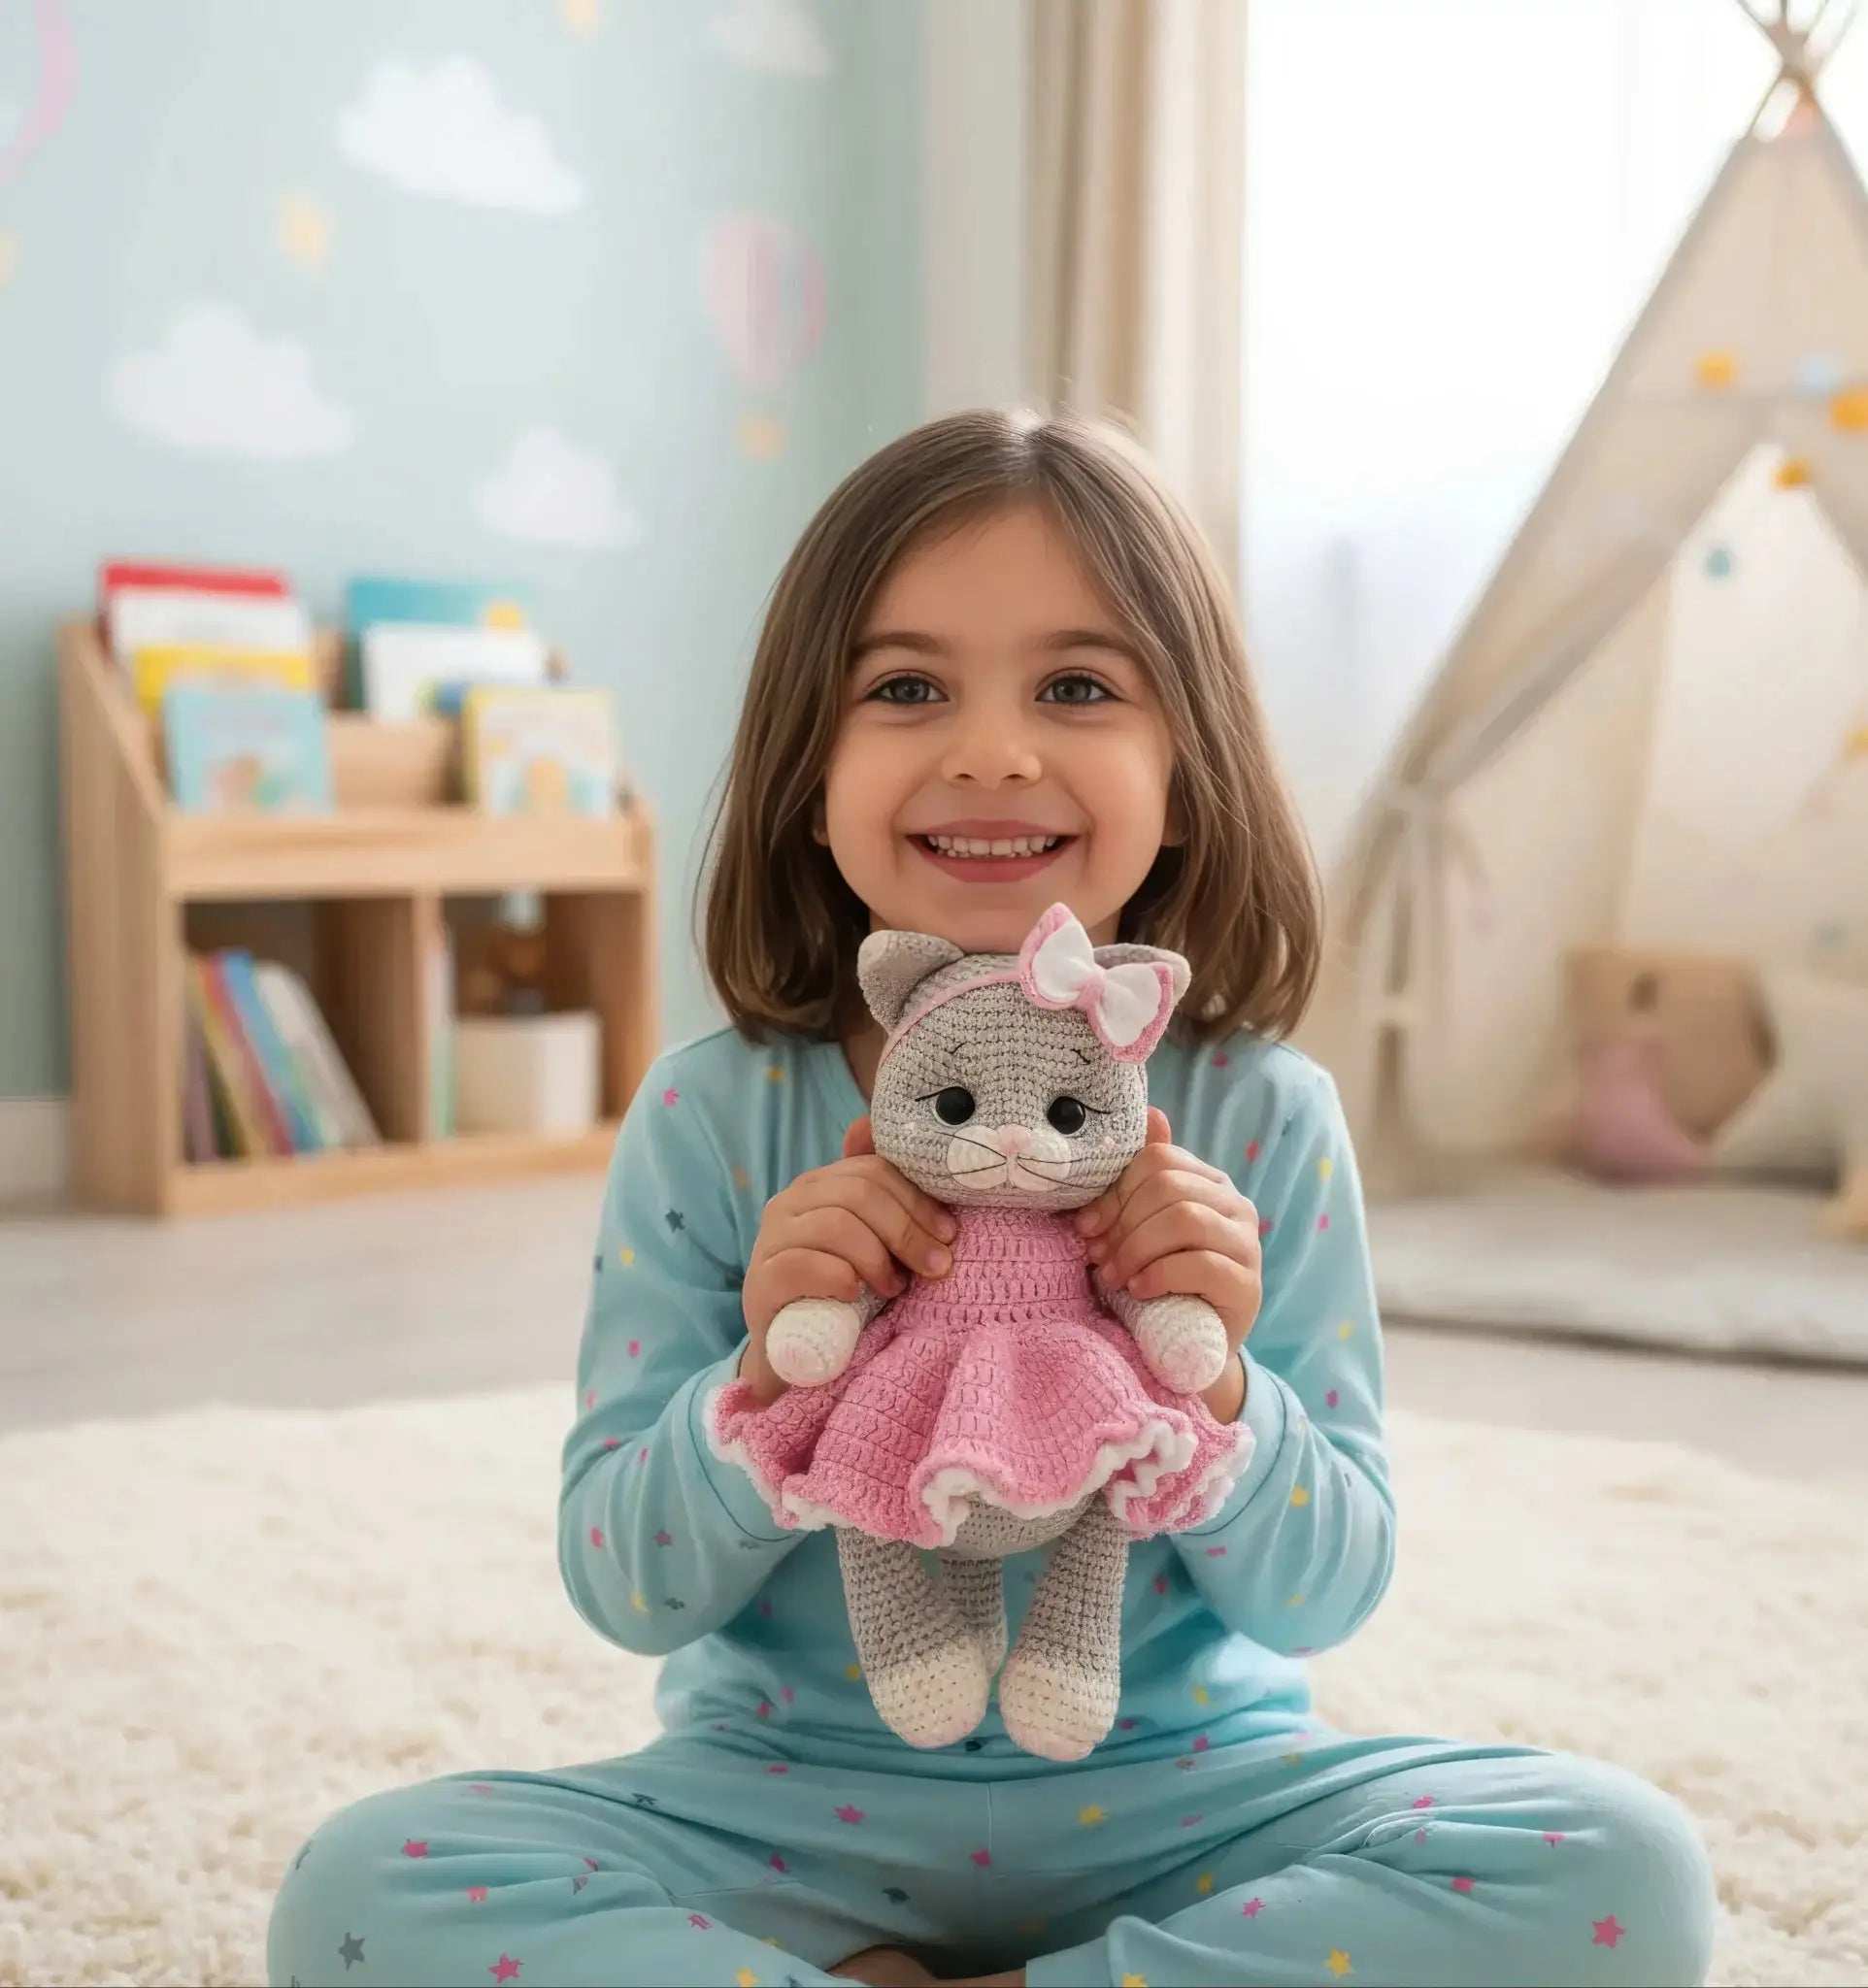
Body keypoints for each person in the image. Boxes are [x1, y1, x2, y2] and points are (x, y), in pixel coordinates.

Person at [267, 410, 1716, 1988]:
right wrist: (757, 1388)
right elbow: (625, 1586)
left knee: (1619, 1869)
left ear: (1189, 765)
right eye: (905, 689)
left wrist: (1221, 1390)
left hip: (1192, 1811)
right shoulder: (711, 1115)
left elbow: (1328, 1589)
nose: (991, 751)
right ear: (806, 772)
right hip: (778, 1810)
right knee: (360, 1894)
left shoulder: (1261, 1117)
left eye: (1078, 688)